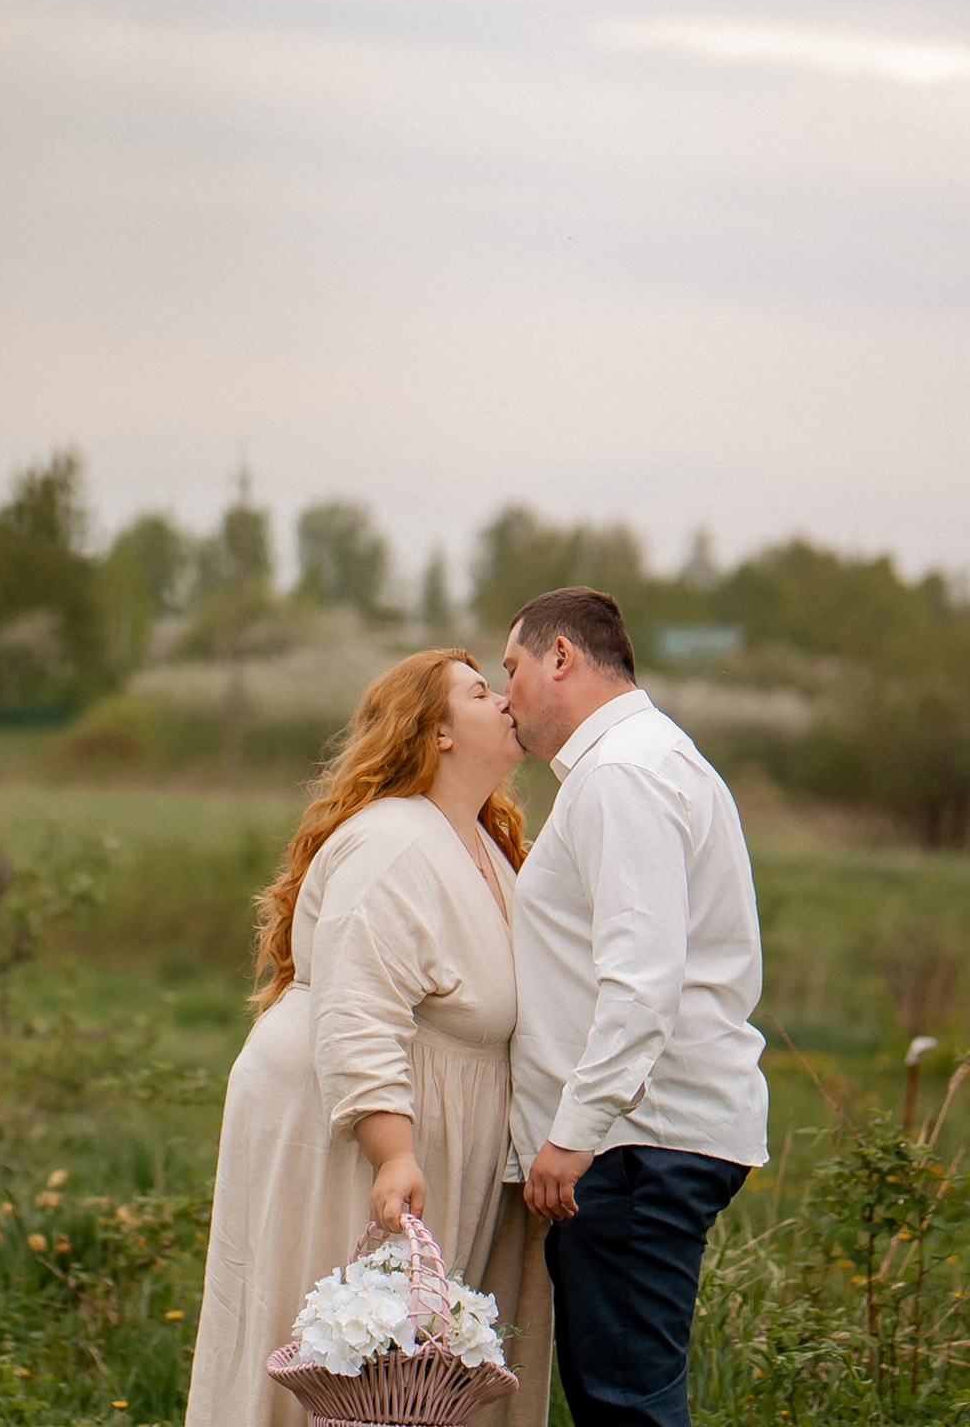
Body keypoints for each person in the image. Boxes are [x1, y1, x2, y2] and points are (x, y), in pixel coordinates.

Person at [186, 650, 554, 1427]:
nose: (504, 702)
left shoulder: (480, 841)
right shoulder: (392, 841)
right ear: (438, 732)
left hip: (436, 1116)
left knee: (408, 1372)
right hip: (356, 1122)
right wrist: (392, 1152)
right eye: (480, 692)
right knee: (348, 1358)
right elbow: (357, 1006)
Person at [502, 587, 768, 1427]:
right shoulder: (645, 760)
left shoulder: (622, 775)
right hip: (638, 1140)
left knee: (625, 1411)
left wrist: (572, 1135)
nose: (504, 694)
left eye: (510, 669)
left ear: (560, 658)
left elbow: (643, 980)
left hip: (632, 1145)